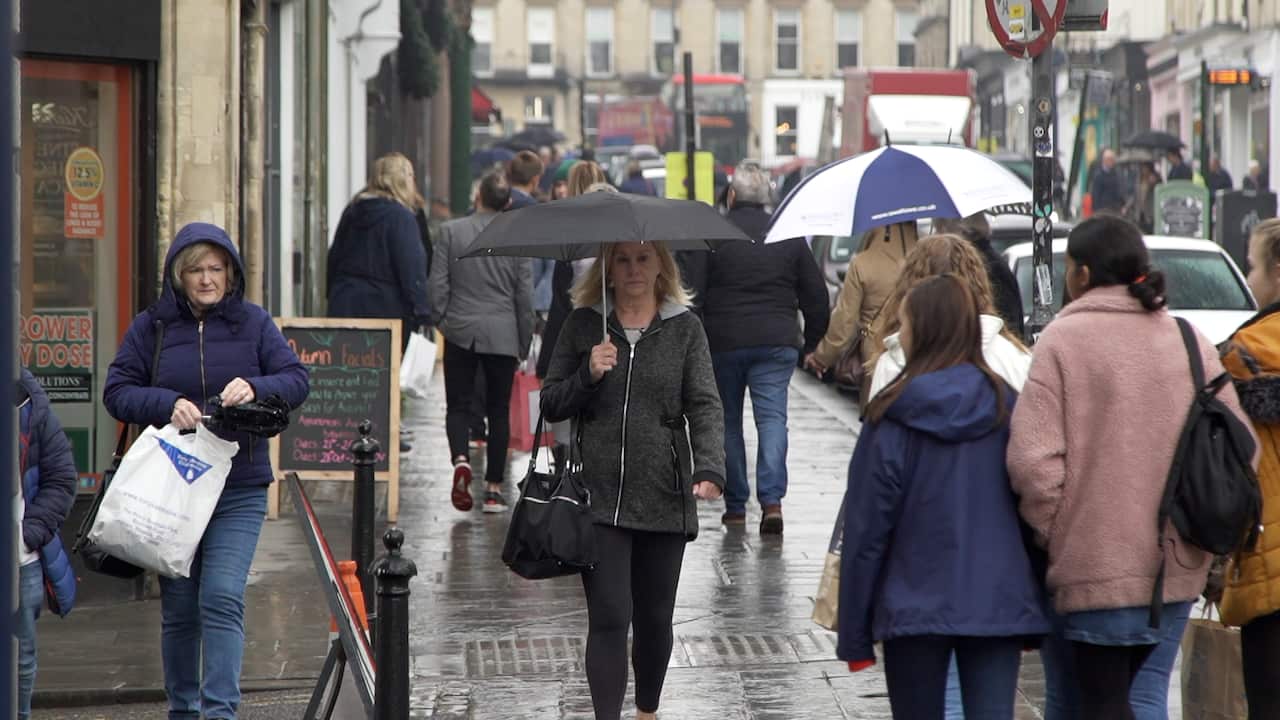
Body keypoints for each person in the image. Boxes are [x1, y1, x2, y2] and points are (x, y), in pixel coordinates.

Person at [1007, 215, 1253, 720]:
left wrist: (1062, 533)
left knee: (1075, 701)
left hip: (1089, 564)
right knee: (1144, 698)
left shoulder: (1062, 340)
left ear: (1081, 273)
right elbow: (1240, 446)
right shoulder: (1188, 339)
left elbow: (1033, 462)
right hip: (1175, 565)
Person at [103, 223, 310, 719]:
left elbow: (297, 379)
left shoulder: (254, 323)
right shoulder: (152, 326)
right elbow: (117, 391)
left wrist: (256, 387)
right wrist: (167, 403)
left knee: (221, 595)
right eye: (195, 269)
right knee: (180, 608)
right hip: (174, 489)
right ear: (178, 275)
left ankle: (219, 713)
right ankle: (184, 710)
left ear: (231, 273)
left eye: (216, 269)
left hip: (238, 486)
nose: (206, 279)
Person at [838, 274, 1049, 718]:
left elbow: (866, 529)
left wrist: (854, 632)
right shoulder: (1009, 407)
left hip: (911, 607)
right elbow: (1035, 504)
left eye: (904, 323)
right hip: (997, 600)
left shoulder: (890, 415)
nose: (899, 333)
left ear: (922, 331)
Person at [541, 239, 725, 720]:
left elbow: (705, 403)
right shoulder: (585, 324)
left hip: (664, 492)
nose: (633, 269)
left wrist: (709, 467)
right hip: (598, 495)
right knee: (608, 616)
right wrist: (587, 374)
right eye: (622, 260)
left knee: (654, 618)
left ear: (661, 265)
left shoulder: (685, 328)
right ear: (607, 268)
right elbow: (551, 402)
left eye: (643, 259)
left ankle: (647, 710)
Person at [691, 160, 829, 533]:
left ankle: (736, 505)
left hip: (724, 342)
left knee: (728, 422)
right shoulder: (787, 234)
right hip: (776, 341)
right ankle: (771, 503)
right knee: (772, 419)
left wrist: (697, 343)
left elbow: (694, 294)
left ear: (732, 195)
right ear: (767, 197)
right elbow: (817, 296)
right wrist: (811, 343)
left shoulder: (714, 234)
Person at [430, 171, 534, 514]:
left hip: (461, 330)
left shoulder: (451, 232)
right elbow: (524, 297)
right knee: (498, 410)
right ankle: (492, 489)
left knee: (458, 405)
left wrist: (442, 321)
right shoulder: (517, 238)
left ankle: (461, 458)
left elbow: (438, 284)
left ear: (478, 196)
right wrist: (523, 341)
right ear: (507, 203)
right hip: (503, 333)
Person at [1218, 217, 1280, 719]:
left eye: (1252, 265)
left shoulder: (1246, 354)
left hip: (1270, 569)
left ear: (1277, 272)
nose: (1249, 276)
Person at [14, 368, 78, 720]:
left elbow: (61, 477)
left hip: (19, 561)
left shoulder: (28, 400)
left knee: (20, 662)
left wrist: (29, 533)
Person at [804, 221, 919, 405]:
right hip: (917, 350)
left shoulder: (863, 263)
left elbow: (844, 320)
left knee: (875, 409)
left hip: (875, 352)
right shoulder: (925, 264)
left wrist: (822, 357)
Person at [932, 214, 1026, 337]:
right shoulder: (984, 261)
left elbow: (1006, 321)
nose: (937, 236)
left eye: (939, 230)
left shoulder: (986, 266)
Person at [1089, 148, 1126, 214]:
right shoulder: (1098, 175)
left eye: (1113, 159)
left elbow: (1119, 191)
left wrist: (1122, 205)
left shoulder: (1116, 174)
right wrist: (1097, 211)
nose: (1112, 162)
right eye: (1110, 159)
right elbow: (1095, 196)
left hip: (1114, 210)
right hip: (1103, 210)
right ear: (1105, 160)